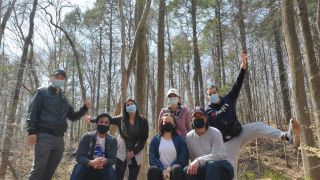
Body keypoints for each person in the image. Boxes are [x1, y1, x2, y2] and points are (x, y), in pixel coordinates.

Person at [205, 51, 300, 179]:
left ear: (219, 92)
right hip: (227, 144)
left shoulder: (228, 98)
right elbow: (205, 130)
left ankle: (286, 136)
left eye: (214, 92)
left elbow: (238, 83)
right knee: (231, 173)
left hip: (240, 132)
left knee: (258, 126)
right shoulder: (208, 111)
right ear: (207, 96)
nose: (212, 95)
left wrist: (243, 65)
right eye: (210, 94)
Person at [27, 69, 92, 180]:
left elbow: (73, 116)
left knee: (49, 171)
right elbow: (32, 112)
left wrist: (85, 108)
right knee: (38, 169)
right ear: (51, 78)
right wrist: (31, 131)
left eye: (62, 78)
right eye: (57, 77)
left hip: (59, 139)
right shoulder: (41, 92)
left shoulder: (64, 99)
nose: (59, 80)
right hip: (43, 136)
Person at [85, 99, 149, 180]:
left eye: (132, 104)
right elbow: (107, 119)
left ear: (136, 105)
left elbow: (144, 138)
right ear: (125, 109)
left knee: (133, 177)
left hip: (136, 152)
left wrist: (134, 152)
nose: (130, 106)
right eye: (127, 105)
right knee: (118, 176)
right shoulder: (121, 119)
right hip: (122, 151)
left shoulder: (143, 121)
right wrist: (92, 119)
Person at [184, 106, 234, 180]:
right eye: (195, 116)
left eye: (200, 116)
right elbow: (192, 157)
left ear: (206, 118)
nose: (198, 118)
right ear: (192, 119)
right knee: (187, 169)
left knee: (211, 164)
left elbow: (217, 155)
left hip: (223, 167)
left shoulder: (215, 132)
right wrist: (194, 164)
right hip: (203, 168)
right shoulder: (189, 136)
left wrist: (198, 160)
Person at [70, 113, 117, 180]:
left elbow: (112, 159)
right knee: (79, 167)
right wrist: (91, 162)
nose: (103, 124)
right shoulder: (87, 137)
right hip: (88, 165)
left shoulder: (113, 141)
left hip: (103, 167)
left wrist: (105, 161)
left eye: (106, 123)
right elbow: (79, 157)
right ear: (96, 124)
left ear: (109, 126)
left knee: (111, 171)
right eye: (101, 122)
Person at [148, 113, 188, 180]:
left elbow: (183, 158)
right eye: (165, 122)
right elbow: (152, 158)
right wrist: (162, 169)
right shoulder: (155, 140)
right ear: (161, 124)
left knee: (176, 168)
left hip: (175, 171)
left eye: (170, 122)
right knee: (152, 169)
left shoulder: (180, 139)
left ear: (174, 124)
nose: (168, 124)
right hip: (160, 170)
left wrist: (170, 167)